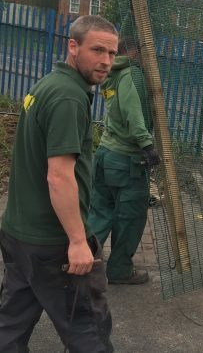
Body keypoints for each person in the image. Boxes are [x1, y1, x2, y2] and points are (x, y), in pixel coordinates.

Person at [0, 15, 118, 352]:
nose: (105, 61)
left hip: (19, 234)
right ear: (73, 46)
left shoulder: (47, 84)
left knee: (10, 324)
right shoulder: (69, 97)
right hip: (52, 243)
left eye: (112, 53)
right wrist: (76, 241)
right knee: (87, 328)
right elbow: (59, 175)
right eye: (97, 50)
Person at [88, 37, 159, 285]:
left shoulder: (112, 72)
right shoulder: (132, 74)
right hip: (127, 160)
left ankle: (81, 261)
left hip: (106, 153)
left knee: (99, 211)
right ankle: (119, 270)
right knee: (130, 216)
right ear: (137, 51)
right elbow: (133, 113)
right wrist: (147, 146)